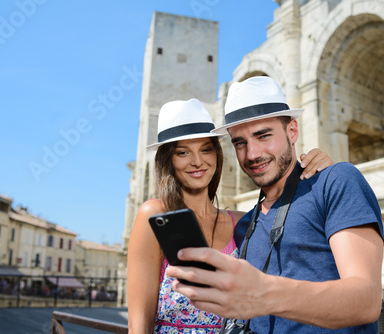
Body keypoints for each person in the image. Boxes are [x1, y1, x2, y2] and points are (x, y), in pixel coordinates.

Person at [166, 77, 384, 333]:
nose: (252, 153)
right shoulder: (245, 224)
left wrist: (264, 293)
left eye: (263, 135)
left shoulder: (335, 181)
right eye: (240, 142)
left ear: (292, 131)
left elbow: (366, 301)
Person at [127, 98, 333, 333]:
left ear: (217, 154)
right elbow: (138, 322)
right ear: (168, 160)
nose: (197, 161)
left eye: (206, 149)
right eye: (182, 152)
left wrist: (317, 170)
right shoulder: (155, 214)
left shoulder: (243, 221)